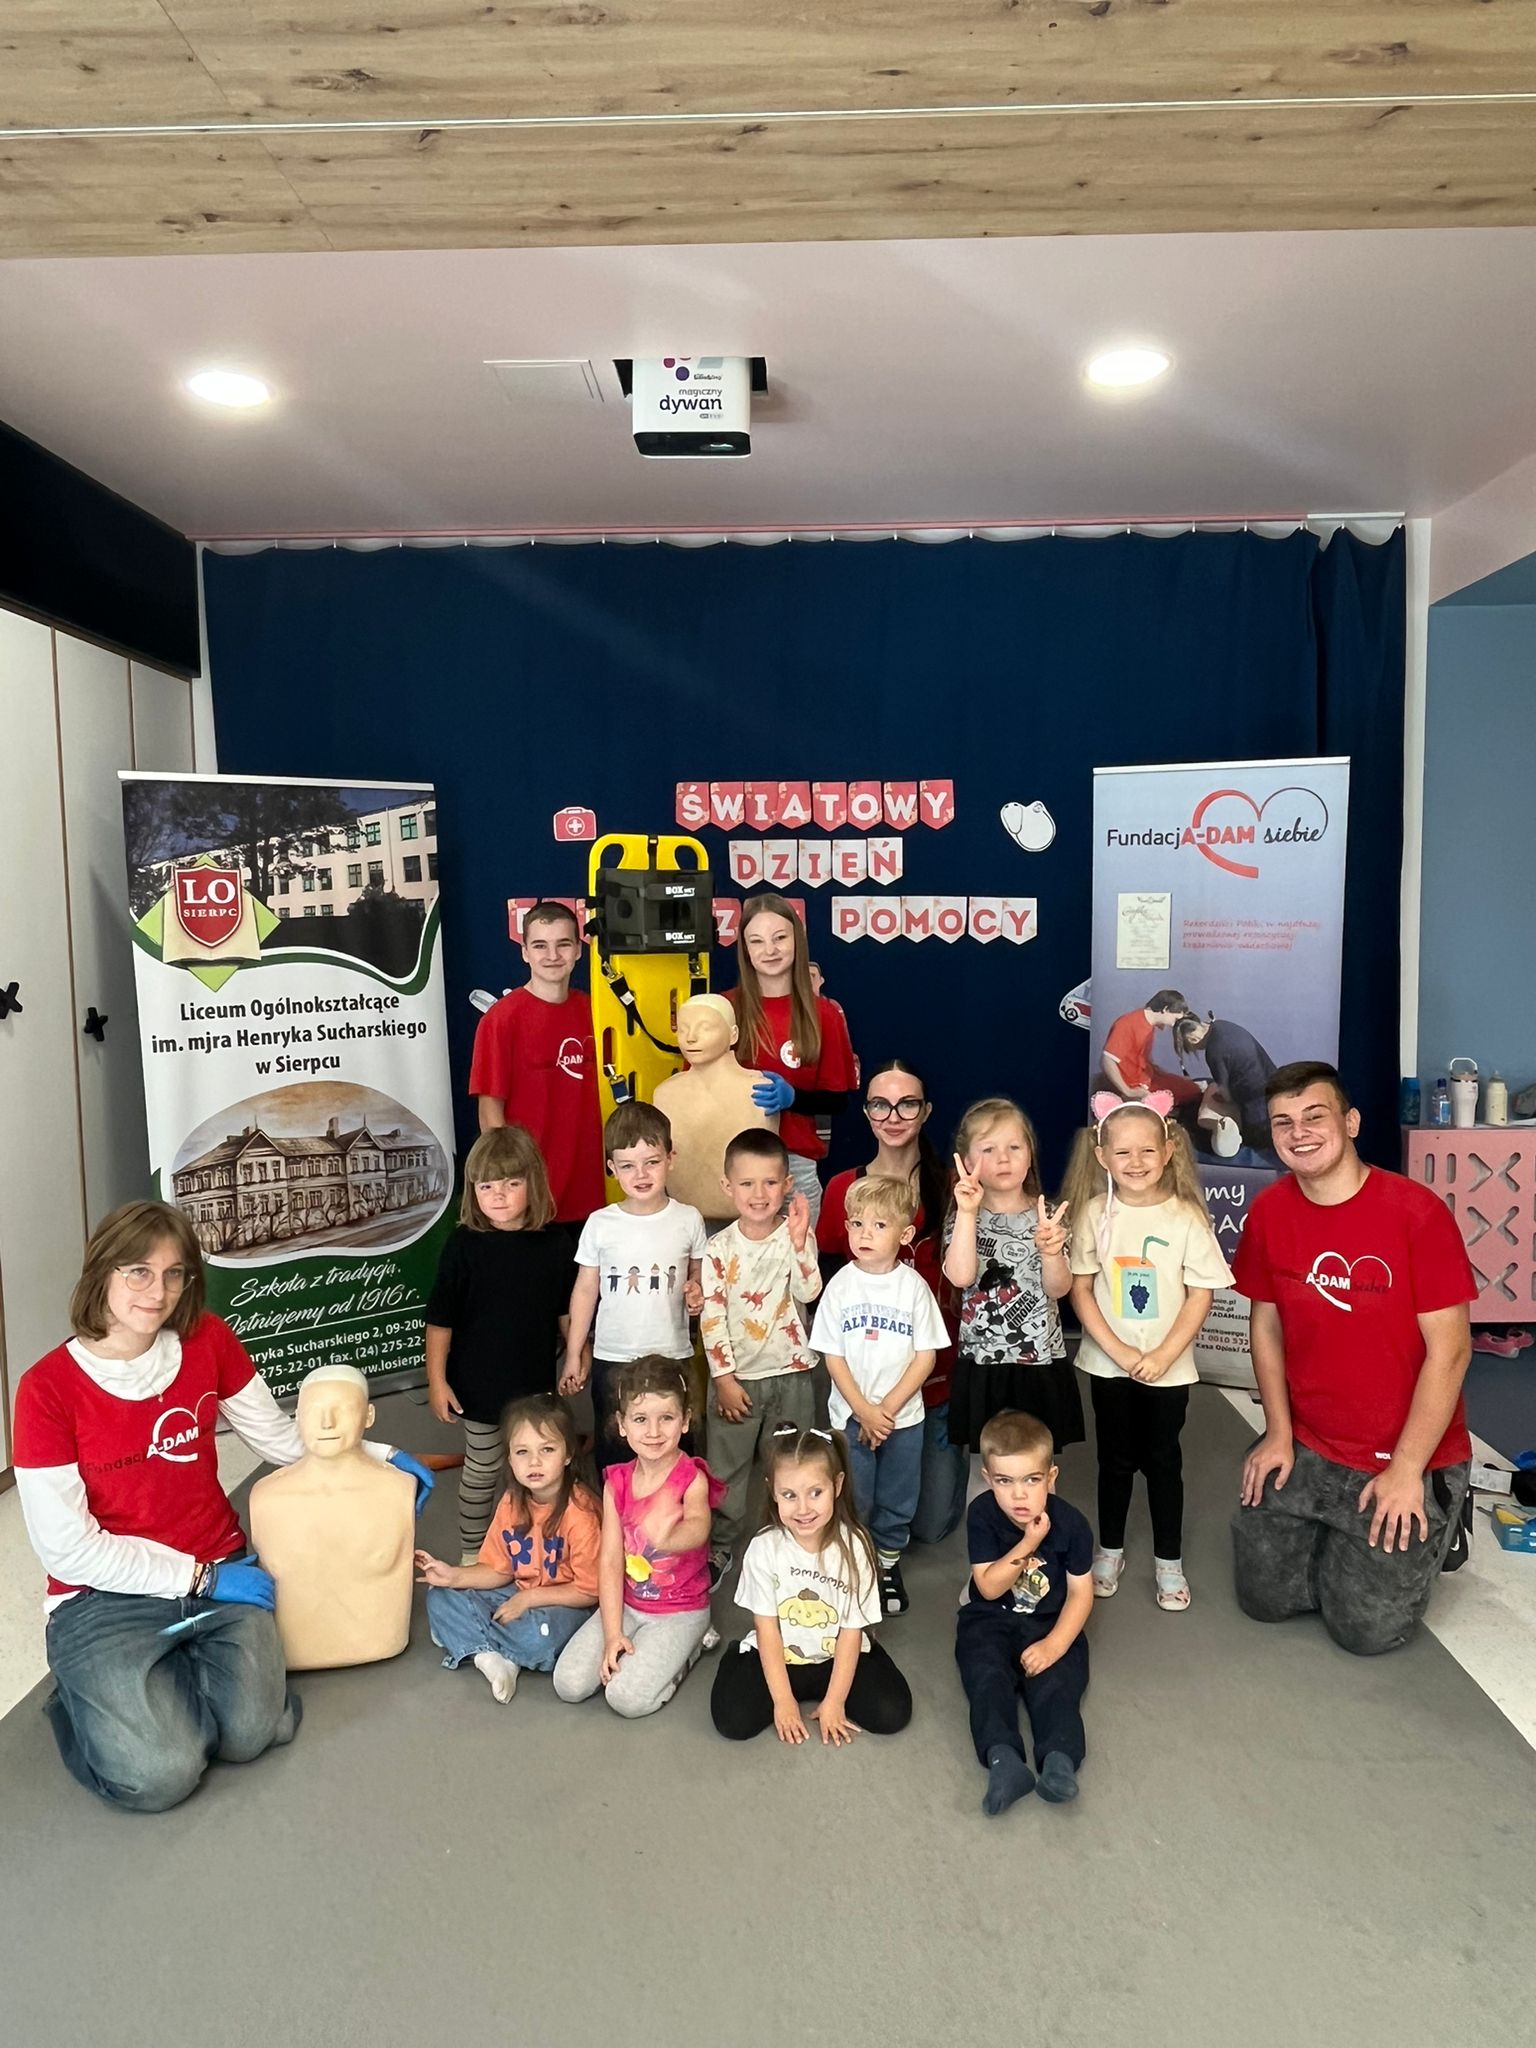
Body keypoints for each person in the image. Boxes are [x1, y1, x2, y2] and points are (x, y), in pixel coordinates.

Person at [12, 1201, 433, 1812]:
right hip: (105, 1595)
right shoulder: (46, 1389)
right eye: (138, 1271)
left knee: (253, 1733)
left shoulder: (207, 1339)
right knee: (162, 1774)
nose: (158, 1293)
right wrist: (201, 1580)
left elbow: (280, 1440)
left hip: (219, 1563)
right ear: (102, 1270)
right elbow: (69, 1551)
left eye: (174, 1274)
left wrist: (380, 1454)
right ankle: (90, 1696)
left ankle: (157, 1686)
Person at [1230, 1061, 1476, 1656]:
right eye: (1283, 1122)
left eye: (1314, 1116)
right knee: (1264, 1600)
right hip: (1311, 1440)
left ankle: (1445, 1513)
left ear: (1351, 1122)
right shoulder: (1270, 1211)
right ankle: (1336, 1536)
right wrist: (1278, 1432)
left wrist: (1408, 1470)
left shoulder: (1417, 1213)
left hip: (1405, 1451)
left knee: (1363, 1632)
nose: (1299, 1133)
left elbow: (1451, 1352)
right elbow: (1266, 1325)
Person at [1060, 1093, 1232, 1611]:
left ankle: (1168, 1561)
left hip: (1168, 1370)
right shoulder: (1094, 1214)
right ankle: (1109, 1551)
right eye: (1123, 1152)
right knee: (1114, 1460)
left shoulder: (1186, 1217)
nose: (1135, 1162)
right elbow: (1080, 1289)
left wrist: (1163, 1355)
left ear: (1168, 1150)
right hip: (1107, 1366)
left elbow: (1200, 1294)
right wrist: (1115, 1350)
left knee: (1162, 1461)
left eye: (1147, 1151)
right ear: (1102, 1156)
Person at [820, 1057, 965, 1546]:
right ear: (866, 1112)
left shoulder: (952, 1186)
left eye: (907, 1104)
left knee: (928, 1526)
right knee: (859, 1498)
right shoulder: (844, 1189)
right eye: (880, 1104)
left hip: (933, 1375)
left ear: (926, 1111)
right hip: (863, 1376)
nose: (894, 1115)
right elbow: (825, 1282)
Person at [424, 1124, 575, 1561]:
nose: (499, 1196)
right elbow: (440, 1321)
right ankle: (472, 1554)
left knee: (538, 1470)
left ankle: (538, 1550)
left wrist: (576, 1357)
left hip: (534, 1386)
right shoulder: (463, 1245)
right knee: (482, 1469)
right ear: (473, 1191)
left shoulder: (555, 1244)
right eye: (486, 1186)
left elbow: (566, 1310)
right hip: (478, 1389)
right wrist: (437, 1381)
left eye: (511, 1183)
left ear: (534, 1182)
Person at [710, 1424, 912, 1744]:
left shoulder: (855, 1547)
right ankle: (737, 1656)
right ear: (772, 1491)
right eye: (789, 1495)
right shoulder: (764, 1547)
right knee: (733, 1721)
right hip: (781, 1653)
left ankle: (864, 1663)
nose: (803, 1509)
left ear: (837, 1485)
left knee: (892, 1713)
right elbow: (767, 1628)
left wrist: (835, 1701)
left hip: (836, 1652)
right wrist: (783, 1701)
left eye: (815, 1493)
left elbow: (850, 1630)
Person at [554, 1358, 725, 1718]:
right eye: (641, 1419)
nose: (653, 1431)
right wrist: (612, 1633)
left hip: (681, 1612)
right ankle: (637, 1642)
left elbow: (699, 1527)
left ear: (685, 1420)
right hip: (629, 1605)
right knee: (569, 1684)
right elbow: (611, 1560)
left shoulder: (691, 1478)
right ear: (622, 1424)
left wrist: (667, 1536)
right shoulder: (616, 1482)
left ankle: (695, 1642)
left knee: (626, 1699)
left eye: (667, 1417)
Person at [811, 1175, 947, 1615]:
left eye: (879, 1225)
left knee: (897, 1495)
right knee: (855, 1494)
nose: (864, 1234)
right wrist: (863, 1411)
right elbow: (833, 1357)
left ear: (904, 1235)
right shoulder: (840, 1285)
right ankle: (852, 1563)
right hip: (851, 1419)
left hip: (902, 1420)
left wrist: (885, 1410)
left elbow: (925, 1357)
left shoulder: (914, 1288)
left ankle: (887, 1564)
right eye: (856, 1224)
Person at [699, 1127, 823, 1590]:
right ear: (727, 1186)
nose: (759, 1194)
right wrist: (724, 1379)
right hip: (737, 1380)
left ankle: (791, 1545)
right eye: (747, 1183)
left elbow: (809, 1292)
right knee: (726, 1471)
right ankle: (721, 1546)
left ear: (787, 1185)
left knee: (792, 1465)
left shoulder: (795, 1235)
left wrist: (801, 1243)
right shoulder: (718, 1248)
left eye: (770, 1182)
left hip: (792, 1376)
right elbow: (711, 1317)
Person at [416, 1393, 599, 1702]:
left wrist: (529, 1599)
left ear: (568, 1454)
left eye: (547, 1450)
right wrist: (454, 1576)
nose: (534, 1462)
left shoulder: (581, 1513)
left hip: (566, 1605)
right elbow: (498, 1570)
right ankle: (491, 1658)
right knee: (440, 1596)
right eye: (522, 1452)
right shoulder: (513, 1502)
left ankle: (471, 1640)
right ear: (510, 1459)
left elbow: (589, 1591)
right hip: (517, 1589)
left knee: (540, 1637)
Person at [956, 1409, 1094, 1816]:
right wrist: (1029, 1543)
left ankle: (1059, 1762)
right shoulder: (982, 1514)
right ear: (988, 1479)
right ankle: (1004, 1762)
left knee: (1058, 1687)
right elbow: (988, 1587)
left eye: (1031, 1480)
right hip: (989, 1618)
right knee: (986, 1678)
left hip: (1049, 1621)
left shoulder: (1073, 1525)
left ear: (1051, 1477)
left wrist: (1053, 1646)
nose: (1019, 1495)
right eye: (1005, 1481)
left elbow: (1080, 1595)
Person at [560, 1102, 706, 1470]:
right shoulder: (600, 1223)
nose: (640, 1174)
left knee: (676, 1451)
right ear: (611, 1168)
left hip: (671, 1355)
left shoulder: (688, 1219)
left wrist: (696, 1292)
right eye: (627, 1165)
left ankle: (676, 1509)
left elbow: (699, 1277)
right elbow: (585, 1290)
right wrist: (574, 1352)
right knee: (616, 1454)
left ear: (670, 1158)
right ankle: (618, 1510)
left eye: (651, 1162)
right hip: (614, 1358)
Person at [942, 1097, 1082, 1455]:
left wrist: (1051, 1252)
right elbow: (960, 1277)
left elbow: (1059, 1289)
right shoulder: (961, 1217)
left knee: (1037, 1460)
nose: (1003, 1158)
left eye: (1014, 1147)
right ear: (967, 1162)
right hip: (983, 1361)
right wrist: (968, 1213)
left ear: (1030, 1154)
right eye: (988, 1149)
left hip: (1040, 1360)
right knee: (987, 1464)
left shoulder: (1049, 1216)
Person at [468, 899, 604, 1225]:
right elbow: (490, 1115)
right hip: (533, 1199)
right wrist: (510, 1188)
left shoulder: (598, 1012)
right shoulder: (500, 1020)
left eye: (563, 944)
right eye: (540, 945)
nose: (552, 955)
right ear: (525, 952)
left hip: (595, 1196)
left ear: (579, 950)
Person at [728, 893, 858, 1224]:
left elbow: (837, 1100)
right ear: (745, 949)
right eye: (757, 941)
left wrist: (793, 1098)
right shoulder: (723, 1008)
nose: (769, 950)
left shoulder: (824, 1014)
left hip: (794, 1163)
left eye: (780, 938)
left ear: (797, 940)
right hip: (732, 1160)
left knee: (797, 1256)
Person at [1172, 1010, 1278, 1155]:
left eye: (1191, 1047)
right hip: (1274, 1079)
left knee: (1255, 1139)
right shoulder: (1221, 1025)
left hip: (1255, 1096)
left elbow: (1225, 1093)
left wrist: (1221, 1098)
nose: (1196, 1050)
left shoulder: (1214, 1052)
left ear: (1193, 1039)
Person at [1098, 989, 1202, 1112]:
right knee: (1189, 1095)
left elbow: (1143, 1061)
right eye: (1175, 1019)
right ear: (1165, 1009)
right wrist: (1128, 1091)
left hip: (1148, 1078)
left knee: (1193, 1089)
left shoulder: (1149, 1024)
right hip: (1133, 1084)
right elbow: (1107, 1060)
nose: (1173, 1025)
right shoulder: (1127, 1024)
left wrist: (1170, 1077)